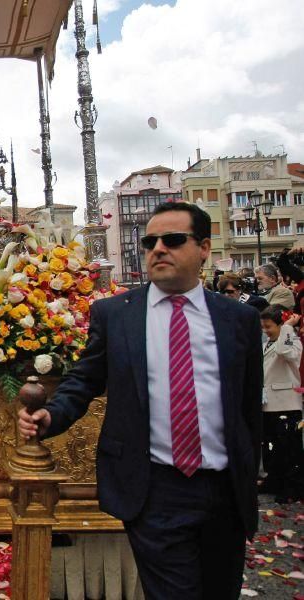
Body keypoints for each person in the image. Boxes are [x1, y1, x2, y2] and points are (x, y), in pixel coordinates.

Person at [18, 202, 262, 599]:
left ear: (203, 247)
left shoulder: (237, 319)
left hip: (224, 491)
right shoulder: (116, 314)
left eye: (173, 240)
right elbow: (84, 379)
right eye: (150, 241)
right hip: (154, 489)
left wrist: (250, 472)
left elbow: (248, 405)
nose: (158, 249)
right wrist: (51, 415)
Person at [259, 306, 304, 503]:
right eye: (263, 327)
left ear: (280, 324)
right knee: (272, 449)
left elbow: (285, 352)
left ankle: (293, 487)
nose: (265, 331)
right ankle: (275, 480)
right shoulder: (268, 343)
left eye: (269, 326)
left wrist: (288, 326)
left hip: (286, 403)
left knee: (289, 450)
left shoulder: (291, 342)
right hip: (268, 403)